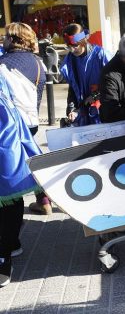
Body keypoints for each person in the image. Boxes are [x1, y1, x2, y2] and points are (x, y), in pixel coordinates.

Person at [0, 23, 48, 215]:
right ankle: (44, 200)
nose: (2, 40)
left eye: (5, 36)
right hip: (32, 121)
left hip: (9, 125)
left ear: (13, 39)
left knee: (12, 165)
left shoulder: (2, 63)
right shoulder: (38, 62)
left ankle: (13, 204)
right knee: (30, 158)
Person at [0, 73, 41, 287]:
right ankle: (9, 246)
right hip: (9, 136)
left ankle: (4, 254)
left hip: (6, 138)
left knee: (8, 199)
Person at [60, 24, 110, 126]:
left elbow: (114, 80)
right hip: (83, 112)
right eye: (69, 46)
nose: (72, 50)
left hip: (102, 110)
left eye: (75, 46)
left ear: (83, 41)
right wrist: (72, 110)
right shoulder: (70, 61)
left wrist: (96, 95)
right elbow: (73, 89)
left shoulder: (100, 55)